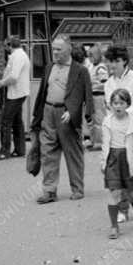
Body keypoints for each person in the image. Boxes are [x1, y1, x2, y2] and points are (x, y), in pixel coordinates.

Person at [33, 38, 94, 203]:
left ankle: (77, 188)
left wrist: (74, 112)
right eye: (54, 49)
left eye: (59, 49)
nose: (55, 53)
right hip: (48, 111)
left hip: (66, 114)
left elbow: (86, 95)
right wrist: (37, 116)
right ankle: (49, 191)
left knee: (72, 152)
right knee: (48, 152)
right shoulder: (49, 67)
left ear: (68, 49)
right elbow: (42, 92)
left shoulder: (80, 70)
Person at [101, 89, 133, 237]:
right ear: (111, 105)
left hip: (130, 161)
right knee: (113, 193)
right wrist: (103, 162)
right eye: (115, 103)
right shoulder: (107, 122)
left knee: (132, 193)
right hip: (113, 161)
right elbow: (105, 144)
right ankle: (114, 227)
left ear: (127, 104)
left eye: (121, 103)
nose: (118, 106)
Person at [0, 37, 31, 159]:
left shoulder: (17, 56)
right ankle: (19, 149)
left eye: (6, 46)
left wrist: (2, 83)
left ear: (10, 45)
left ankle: (4, 151)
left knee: (6, 121)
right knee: (16, 121)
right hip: (19, 92)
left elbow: (14, 77)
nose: (6, 49)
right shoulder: (20, 55)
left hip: (16, 93)